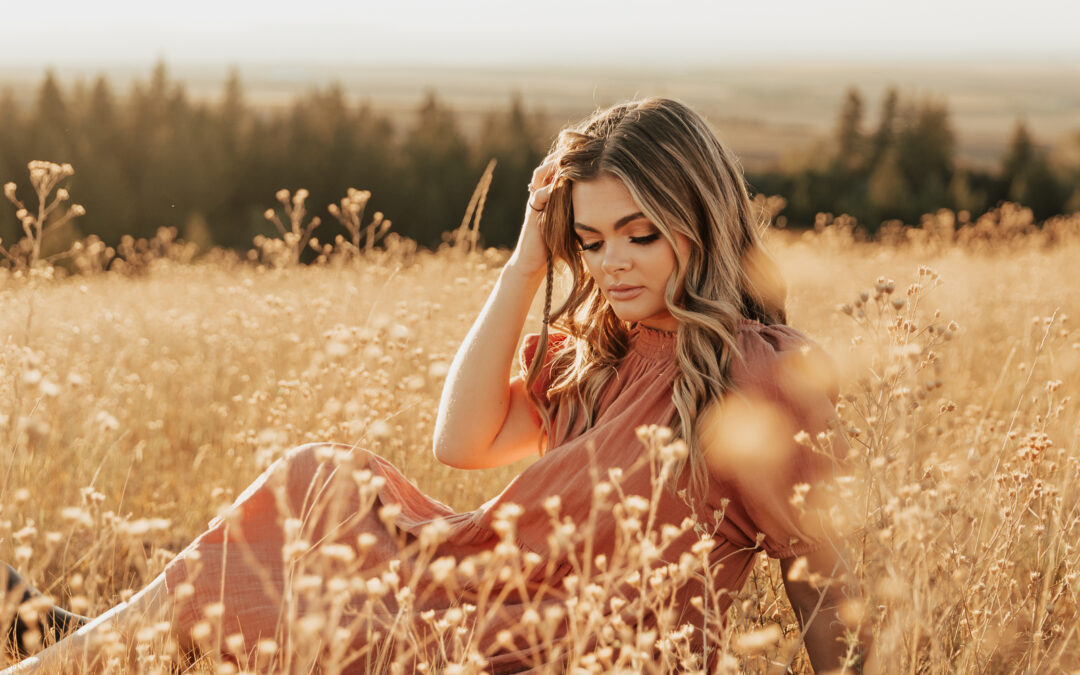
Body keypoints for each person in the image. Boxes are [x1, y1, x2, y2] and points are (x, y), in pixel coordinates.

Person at [1, 96, 874, 674]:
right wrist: (525, 263)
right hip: (471, 604)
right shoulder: (604, 351)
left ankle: (69, 635)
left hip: (560, 653)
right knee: (320, 480)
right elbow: (459, 442)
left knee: (273, 571)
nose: (611, 263)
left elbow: (828, 581)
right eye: (592, 238)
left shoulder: (762, 372)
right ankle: (64, 648)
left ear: (701, 220)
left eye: (641, 234)